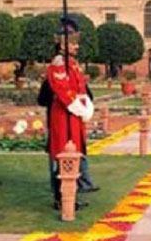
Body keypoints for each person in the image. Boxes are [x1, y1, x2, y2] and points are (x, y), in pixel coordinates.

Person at [45, 17, 97, 211]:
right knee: (63, 156)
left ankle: (71, 195)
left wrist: (86, 104)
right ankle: (61, 198)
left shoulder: (72, 63)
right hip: (63, 115)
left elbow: (80, 88)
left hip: (74, 116)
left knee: (74, 154)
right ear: (63, 44)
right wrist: (77, 105)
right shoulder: (59, 63)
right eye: (73, 43)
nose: (76, 46)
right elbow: (62, 89)